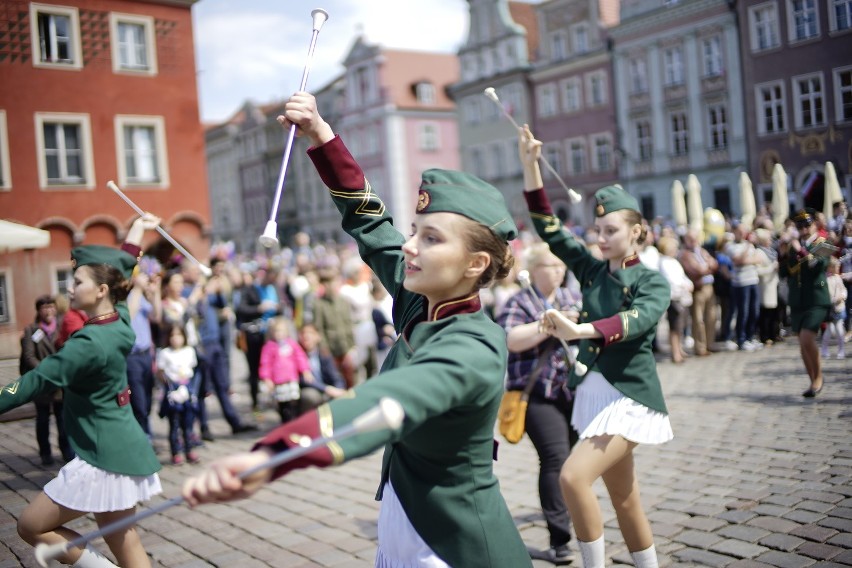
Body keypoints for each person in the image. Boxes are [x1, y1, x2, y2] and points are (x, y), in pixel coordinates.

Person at [182, 91, 533, 567]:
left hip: (457, 545)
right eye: (415, 230)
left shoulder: (474, 344)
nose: (409, 246)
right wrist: (321, 133)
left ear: (475, 263)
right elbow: (370, 222)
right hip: (404, 516)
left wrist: (277, 453)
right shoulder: (421, 300)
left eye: (430, 238)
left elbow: (390, 403)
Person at [518, 125, 673, 568]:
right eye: (597, 229)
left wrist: (578, 330)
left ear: (638, 233)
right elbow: (549, 228)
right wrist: (531, 166)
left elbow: (636, 321)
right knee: (624, 498)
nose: (600, 238)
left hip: (631, 396)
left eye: (610, 230)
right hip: (595, 393)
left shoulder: (651, 280)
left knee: (572, 477)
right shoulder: (591, 270)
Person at [0, 214, 163, 568]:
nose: (69, 289)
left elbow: (33, 381)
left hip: (102, 454)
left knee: (31, 526)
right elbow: (125, 270)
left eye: (76, 281)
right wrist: (137, 231)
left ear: (101, 290)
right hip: (123, 444)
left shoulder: (87, 343)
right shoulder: (118, 319)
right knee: (123, 537)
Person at [496, 242, 580, 565]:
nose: (558, 271)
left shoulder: (571, 297)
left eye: (561, 266)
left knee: (571, 461)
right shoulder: (519, 301)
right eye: (550, 266)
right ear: (534, 269)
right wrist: (549, 325)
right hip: (535, 394)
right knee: (555, 459)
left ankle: (570, 516)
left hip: (572, 391)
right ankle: (561, 540)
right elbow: (510, 339)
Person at [779, 209, 834, 397]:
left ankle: (819, 377)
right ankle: (812, 381)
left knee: (806, 338)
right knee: (802, 344)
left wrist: (800, 249)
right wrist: (783, 254)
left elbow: (819, 265)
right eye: (799, 227)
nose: (803, 230)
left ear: (814, 225)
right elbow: (784, 274)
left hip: (817, 299)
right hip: (798, 300)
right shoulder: (794, 246)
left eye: (807, 225)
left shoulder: (823, 242)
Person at [19, 295, 74, 466]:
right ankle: (45, 453)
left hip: (60, 383)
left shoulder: (62, 327)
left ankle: (66, 451)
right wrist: (46, 371)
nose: (48, 311)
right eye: (44, 308)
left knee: (62, 419)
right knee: (42, 419)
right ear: (39, 311)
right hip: (42, 382)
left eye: (51, 307)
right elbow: (29, 356)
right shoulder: (32, 330)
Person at [156, 322, 201, 465]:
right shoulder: (164, 353)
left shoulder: (189, 351)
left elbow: (194, 370)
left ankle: (189, 450)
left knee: (188, 424)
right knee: (174, 424)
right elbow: (160, 372)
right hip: (173, 392)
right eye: (172, 335)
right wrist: (169, 386)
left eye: (179, 335)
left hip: (187, 390)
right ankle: (175, 452)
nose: (176, 338)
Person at [126, 267, 162, 442]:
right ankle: (143, 439)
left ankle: (144, 435)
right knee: (139, 402)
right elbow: (129, 317)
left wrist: (156, 292)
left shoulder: (141, 297)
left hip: (147, 354)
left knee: (148, 400)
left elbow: (156, 316)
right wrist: (138, 289)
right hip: (131, 357)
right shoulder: (127, 298)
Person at [258, 317, 309, 424]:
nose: (279, 334)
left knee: (293, 402)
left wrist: (305, 370)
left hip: (291, 379)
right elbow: (265, 364)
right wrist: (266, 378)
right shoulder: (269, 347)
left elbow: (300, 358)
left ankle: (294, 421)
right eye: (277, 331)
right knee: (282, 404)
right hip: (278, 381)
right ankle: (285, 422)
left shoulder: (291, 345)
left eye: (281, 331)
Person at [678, 228, 718, 356]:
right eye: (691, 238)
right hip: (698, 288)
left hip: (709, 286)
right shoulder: (685, 254)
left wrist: (707, 266)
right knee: (698, 319)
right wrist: (707, 266)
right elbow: (696, 271)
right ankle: (700, 347)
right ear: (686, 240)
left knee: (712, 316)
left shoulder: (701, 250)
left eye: (695, 238)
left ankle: (710, 343)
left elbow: (715, 264)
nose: (694, 241)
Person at [296, 322, 348, 414]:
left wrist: (339, 388)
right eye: (303, 333)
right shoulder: (297, 356)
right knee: (310, 396)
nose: (306, 336)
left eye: (310, 333)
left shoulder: (324, 354)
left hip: (327, 390)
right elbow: (304, 380)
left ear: (318, 336)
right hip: (312, 390)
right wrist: (327, 389)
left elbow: (335, 375)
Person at [657, 236, 693, 363]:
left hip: (680, 296)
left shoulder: (673, 261)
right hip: (673, 297)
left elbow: (682, 276)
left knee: (680, 325)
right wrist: (685, 285)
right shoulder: (664, 262)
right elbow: (672, 280)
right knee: (674, 326)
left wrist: (688, 283)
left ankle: (679, 349)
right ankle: (675, 352)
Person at [821, 258, 846, 360]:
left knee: (840, 330)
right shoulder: (825, 279)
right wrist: (834, 299)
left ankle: (841, 350)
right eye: (837, 267)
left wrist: (843, 296)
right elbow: (824, 294)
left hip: (839, 308)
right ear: (830, 267)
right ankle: (824, 349)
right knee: (829, 330)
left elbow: (843, 289)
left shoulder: (838, 278)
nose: (838, 268)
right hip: (830, 309)